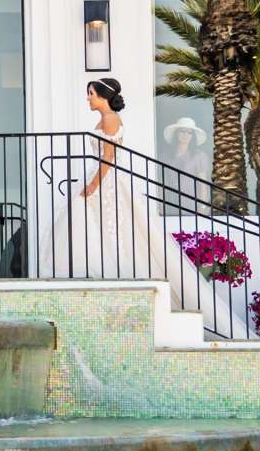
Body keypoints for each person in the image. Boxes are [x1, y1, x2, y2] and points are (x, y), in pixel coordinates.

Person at [48, 78, 185, 298]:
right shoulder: (105, 118)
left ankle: (111, 270)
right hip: (100, 175)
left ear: (102, 96)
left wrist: (93, 184)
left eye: (91, 93)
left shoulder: (111, 119)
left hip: (107, 179)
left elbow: (109, 156)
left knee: (109, 223)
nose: (88, 98)